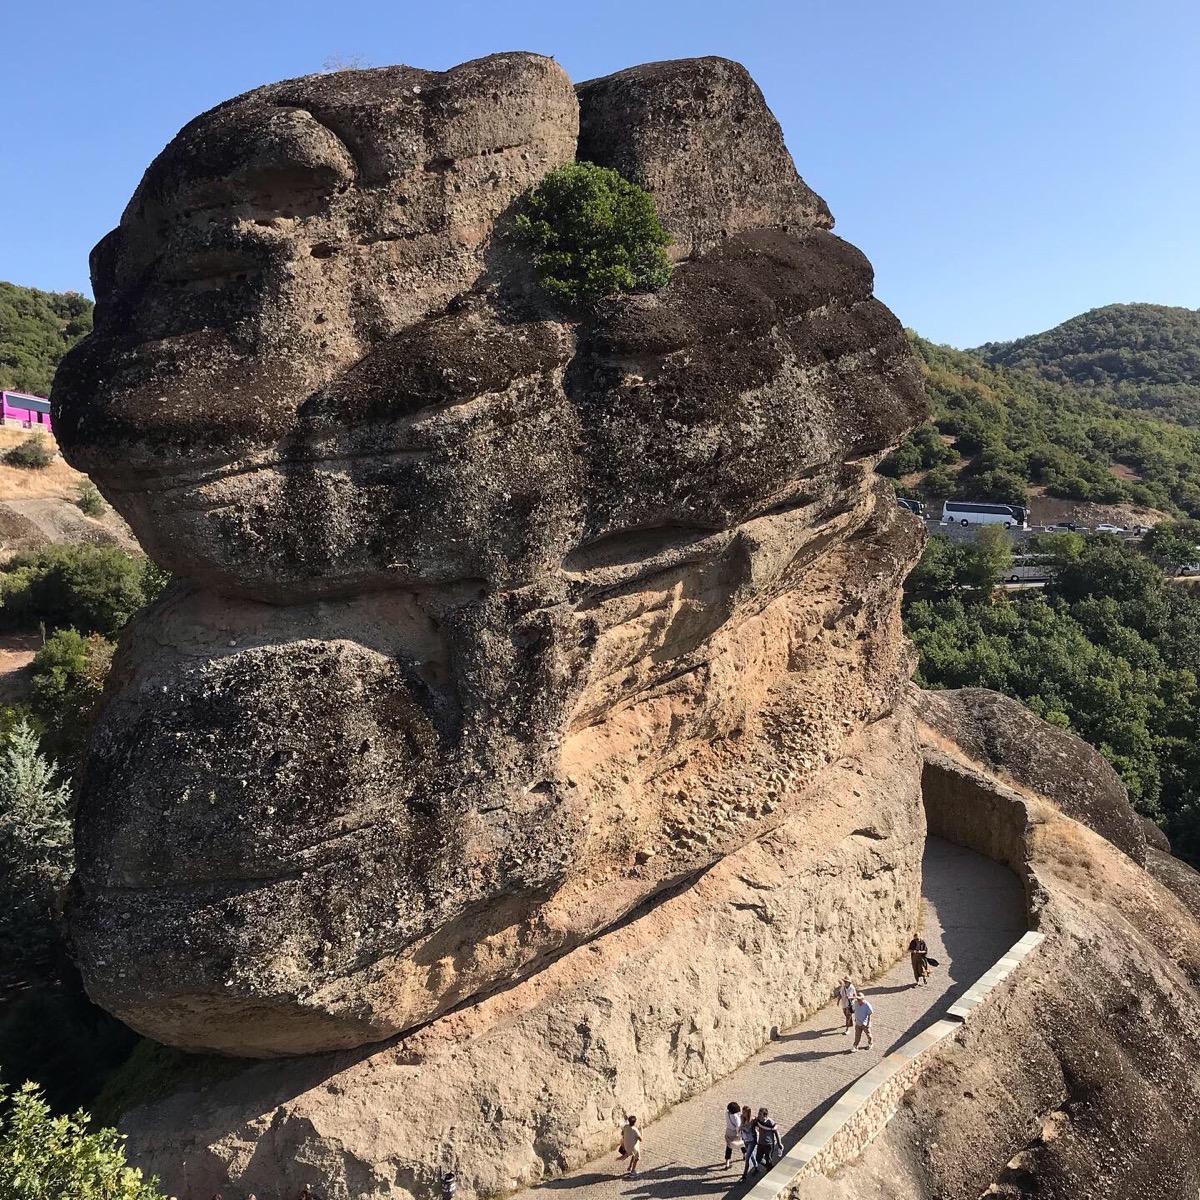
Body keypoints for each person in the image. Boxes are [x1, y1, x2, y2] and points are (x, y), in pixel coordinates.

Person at [739, 1106, 757, 1179]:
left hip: (751, 1141)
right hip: (745, 1139)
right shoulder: (742, 1118)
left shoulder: (752, 1120)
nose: (743, 1114)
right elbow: (740, 1126)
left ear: (748, 1113)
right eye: (742, 1112)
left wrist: (744, 1128)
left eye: (744, 1113)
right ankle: (756, 1167)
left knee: (747, 1158)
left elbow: (751, 1130)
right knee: (751, 1155)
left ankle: (744, 1175)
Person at [724, 1101, 742, 1168]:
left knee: (729, 1146)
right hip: (734, 1132)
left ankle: (727, 1162)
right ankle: (744, 1154)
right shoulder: (735, 1117)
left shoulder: (727, 1113)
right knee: (740, 1143)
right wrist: (740, 1135)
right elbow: (738, 1127)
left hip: (728, 1131)